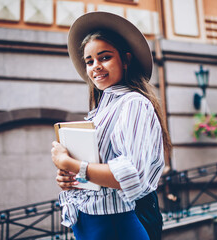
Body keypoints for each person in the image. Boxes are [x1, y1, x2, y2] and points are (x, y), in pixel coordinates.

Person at [51, 11, 171, 240]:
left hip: (120, 223)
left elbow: (130, 174)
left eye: (104, 57)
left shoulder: (134, 103)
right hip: (92, 222)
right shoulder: (101, 110)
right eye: (90, 61)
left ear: (125, 60)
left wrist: (71, 163)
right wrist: (70, 178)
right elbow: (97, 170)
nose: (95, 66)